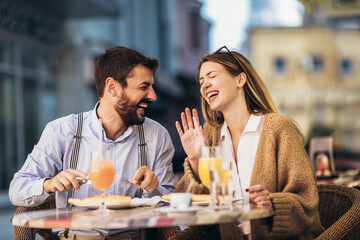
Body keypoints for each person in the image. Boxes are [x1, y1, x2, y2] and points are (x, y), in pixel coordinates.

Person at [9, 46, 175, 239]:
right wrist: (49, 184)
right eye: (144, 87)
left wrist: (152, 188)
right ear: (112, 87)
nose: (153, 96)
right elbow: (17, 189)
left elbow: (170, 209)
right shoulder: (62, 131)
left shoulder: (157, 136)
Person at [161, 46, 324, 240]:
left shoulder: (276, 127)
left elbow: (307, 203)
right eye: (201, 81)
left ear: (240, 79)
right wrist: (196, 159)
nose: (204, 86)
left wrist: (272, 202)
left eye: (211, 76)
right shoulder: (209, 136)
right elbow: (187, 214)